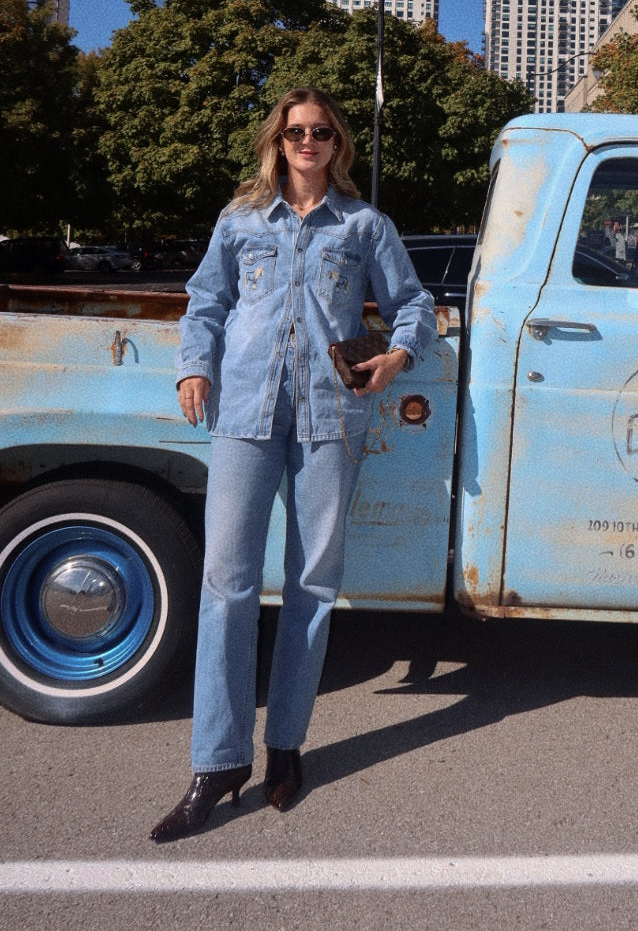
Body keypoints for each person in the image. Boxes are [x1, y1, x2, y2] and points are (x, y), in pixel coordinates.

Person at [150, 87, 437, 842]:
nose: (308, 142)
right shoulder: (240, 221)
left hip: (329, 418)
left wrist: (397, 356)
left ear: (338, 143)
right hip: (244, 411)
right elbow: (205, 301)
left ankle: (285, 747)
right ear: (277, 141)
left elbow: (413, 305)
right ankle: (217, 762)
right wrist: (193, 365)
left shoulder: (364, 225)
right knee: (226, 582)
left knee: (311, 583)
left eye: (322, 132)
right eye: (295, 131)